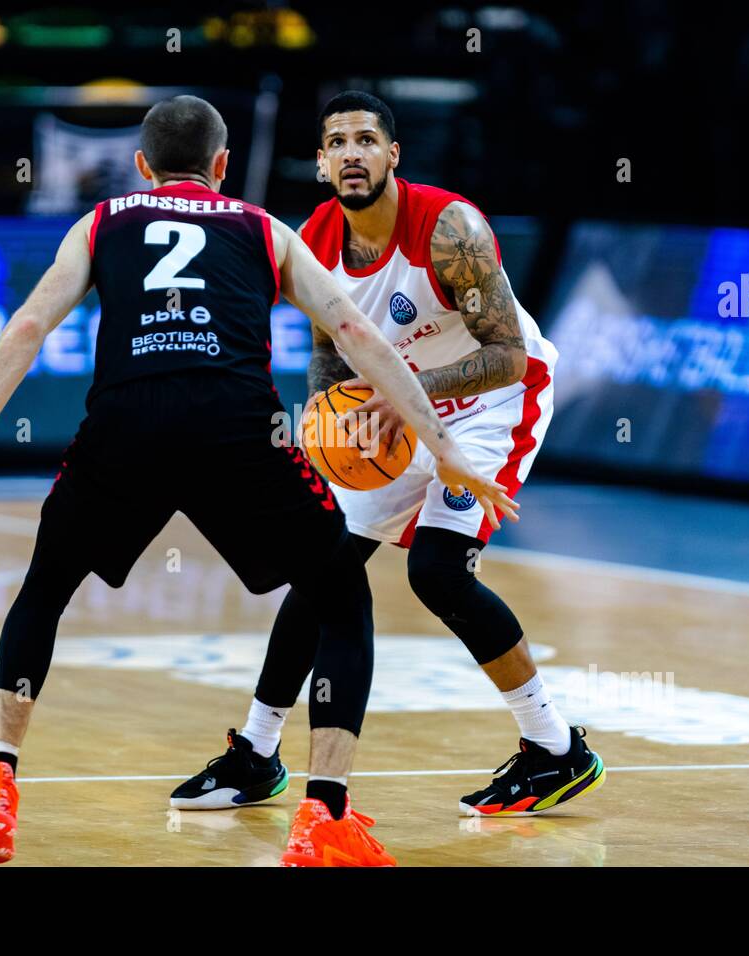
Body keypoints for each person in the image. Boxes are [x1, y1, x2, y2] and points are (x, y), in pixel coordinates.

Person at [0, 95, 518, 867]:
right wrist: (441, 442)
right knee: (341, 600)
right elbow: (355, 335)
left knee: (44, 589)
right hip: (235, 429)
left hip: (125, 426)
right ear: (222, 168)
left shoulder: (103, 221)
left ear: (142, 166)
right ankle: (323, 818)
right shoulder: (264, 228)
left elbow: (26, 327)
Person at [171, 91, 604, 819]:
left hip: (493, 403)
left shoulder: (449, 228)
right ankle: (256, 750)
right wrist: (321, 420)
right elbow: (324, 354)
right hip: (394, 412)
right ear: (319, 162)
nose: (351, 153)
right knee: (322, 568)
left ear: (392, 155)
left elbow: (505, 356)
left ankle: (555, 749)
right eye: (336, 142)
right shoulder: (313, 241)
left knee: (437, 571)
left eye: (366, 140)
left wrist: (403, 391)